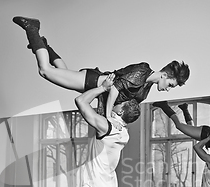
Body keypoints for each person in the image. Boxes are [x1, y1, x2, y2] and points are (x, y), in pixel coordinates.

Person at [12, 16, 190, 118]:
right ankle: (32, 29)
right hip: (91, 81)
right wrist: (107, 118)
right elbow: (114, 91)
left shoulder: (146, 87)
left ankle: (43, 45)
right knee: (45, 71)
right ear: (165, 75)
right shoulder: (142, 72)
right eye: (171, 85)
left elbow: (123, 102)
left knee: (63, 72)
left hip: (94, 84)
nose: (168, 90)